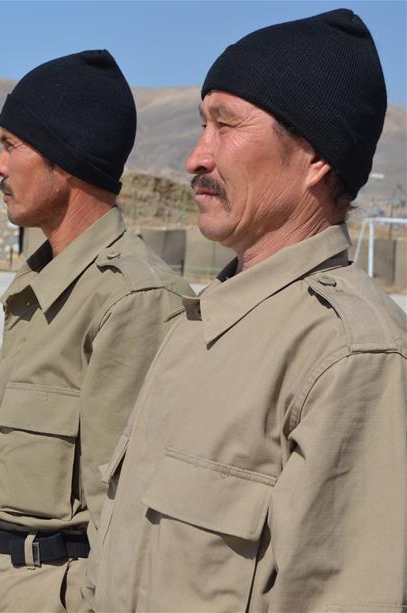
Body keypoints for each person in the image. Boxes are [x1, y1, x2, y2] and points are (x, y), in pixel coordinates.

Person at [91, 9, 406, 611]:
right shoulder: (207, 322)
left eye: (225, 127)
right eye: (200, 126)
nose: (194, 158)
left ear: (316, 158)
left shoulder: (351, 354)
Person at [0, 50, 191, 612]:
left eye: (12, 146)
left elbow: (127, 514)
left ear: (64, 160)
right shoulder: (41, 284)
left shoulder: (130, 299)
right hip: (0, 578)